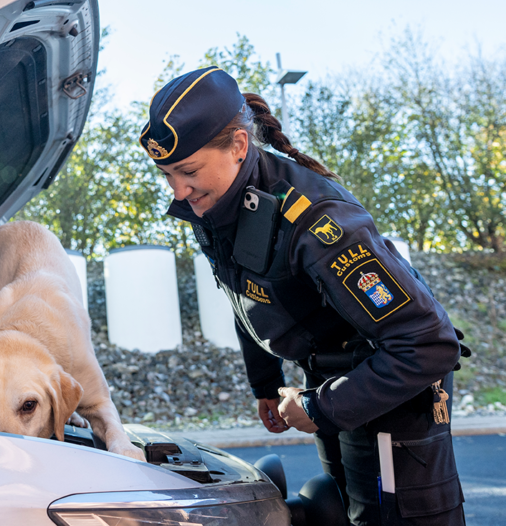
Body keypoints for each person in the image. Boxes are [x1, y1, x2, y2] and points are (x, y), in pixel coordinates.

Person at [138, 66, 470, 525]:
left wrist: (319, 406)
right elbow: (246, 295)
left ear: (238, 145)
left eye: (187, 170)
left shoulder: (317, 222)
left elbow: (427, 346)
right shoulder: (222, 206)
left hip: (393, 392)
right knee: (347, 511)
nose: (178, 190)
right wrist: (265, 384)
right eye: (166, 174)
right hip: (332, 379)